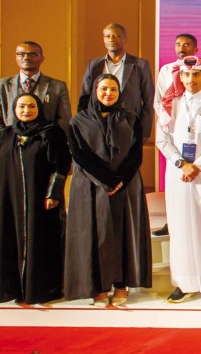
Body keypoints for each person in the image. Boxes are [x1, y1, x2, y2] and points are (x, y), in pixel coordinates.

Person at [64, 74, 151, 307]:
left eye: (113, 89)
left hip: (125, 185)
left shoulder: (130, 118)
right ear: (95, 91)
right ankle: (99, 287)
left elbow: (136, 153)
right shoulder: (78, 120)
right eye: (103, 89)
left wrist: (118, 180)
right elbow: (80, 154)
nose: (108, 94)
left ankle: (121, 285)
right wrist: (106, 180)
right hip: (90, 186)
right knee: (95, 234)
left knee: (122, 233)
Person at [0, 93, 70, 305]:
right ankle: (15, 291)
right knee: (11, 241)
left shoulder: (50, 133)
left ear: (39, 108)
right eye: (21, 106)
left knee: (42, 241)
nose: (26, 110)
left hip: (41, 201)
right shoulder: (6, 135)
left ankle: (43, 291)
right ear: (14, 109)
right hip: (10, 201)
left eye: (31, 106)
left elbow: (61, 166)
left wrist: (54, 193)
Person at [157, 62, 201, 303]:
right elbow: (162, 139)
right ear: (180, 77)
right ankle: (183, 282)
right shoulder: (170, 105)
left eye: (196, 75)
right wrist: (181, 164)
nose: (190, 79)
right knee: (181, 226)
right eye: (186, 75)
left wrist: (197, 165)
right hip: (178, 175)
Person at [78, 23, 153, 137]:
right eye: (107, 36)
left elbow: (148, 101)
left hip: (129, 127)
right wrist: (82, 126)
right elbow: (84, 97)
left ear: (124, 39)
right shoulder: (93, 65)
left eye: (115, 36)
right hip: (98, 126)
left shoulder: (140, 65)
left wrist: (144, 132)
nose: (111, 39)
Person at [0, 41, 71, 139]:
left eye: (32, 54)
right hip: (10, 146)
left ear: (42, 59)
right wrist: (8, 142)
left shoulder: (57, 86)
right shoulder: (0, 86)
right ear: (16, 58)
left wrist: (47, 142)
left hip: (46, 145)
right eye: (21, 54)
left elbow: (64, 120)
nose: (26, 57)